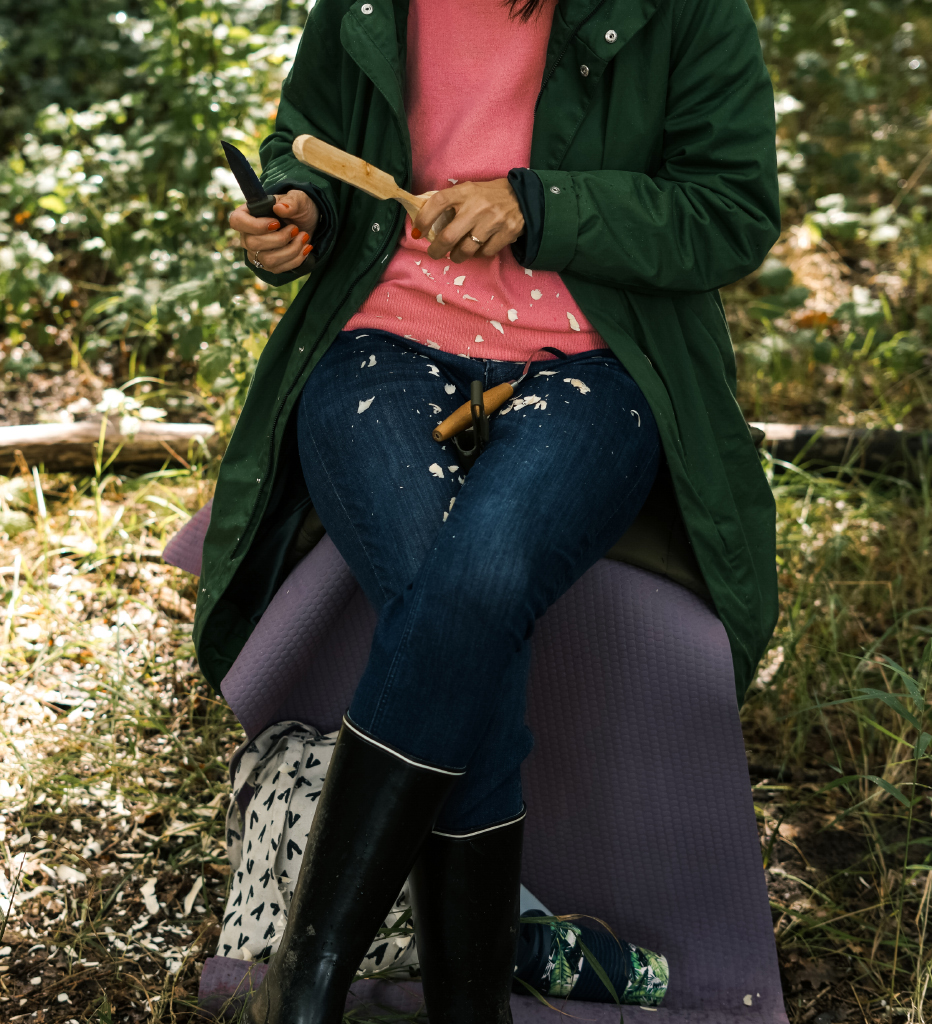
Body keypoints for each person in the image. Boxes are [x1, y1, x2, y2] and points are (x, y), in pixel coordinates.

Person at [202, 0, 780, 1021]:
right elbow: (306, 143)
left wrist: (537, 206)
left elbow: (730, 214)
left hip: (597, 357)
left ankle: (306, 986)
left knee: (475, 581)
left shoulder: (687, 10)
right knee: (453, 603)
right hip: (377, 342)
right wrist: (297, 215)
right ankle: (468, 1006)